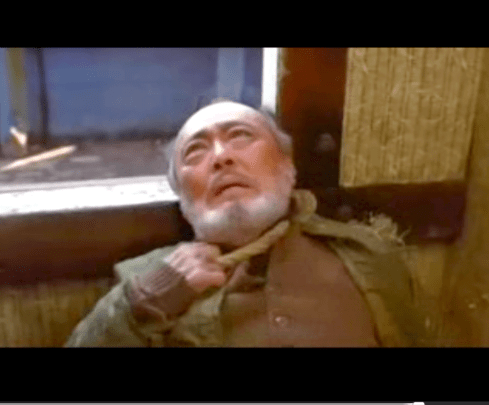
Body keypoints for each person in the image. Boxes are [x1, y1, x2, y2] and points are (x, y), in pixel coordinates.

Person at [65, 100, 435, 347]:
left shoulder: (367, 257)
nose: (221, 157)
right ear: (182, 197)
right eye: (195, 151)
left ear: (288, 167)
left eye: (241, 136)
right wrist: (145, 301)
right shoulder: (144, 284)